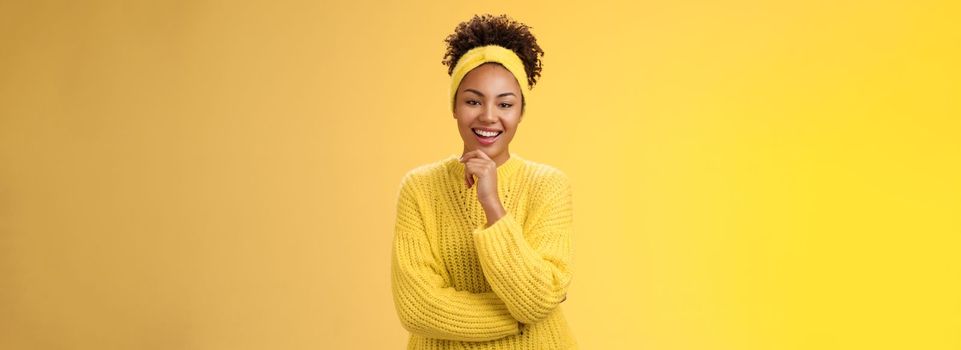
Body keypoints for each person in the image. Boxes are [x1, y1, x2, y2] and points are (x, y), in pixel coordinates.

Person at [390, 13, 578, 349]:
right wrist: (522, 315)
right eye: (473, 101)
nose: (489, 116)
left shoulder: (548, 185)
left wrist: (492, 204)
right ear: (454, 107)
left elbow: (538, 296)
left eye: (505, 103)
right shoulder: (419, 188)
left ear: (520, 112)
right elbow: (418, 307)